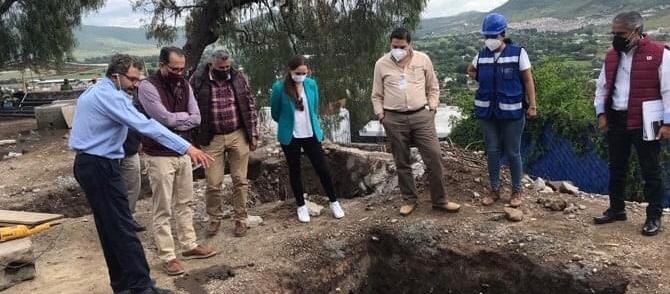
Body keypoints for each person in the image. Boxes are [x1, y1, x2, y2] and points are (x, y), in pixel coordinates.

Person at [69, 54, 213, 294]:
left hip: (93, 164)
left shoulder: (97, 91)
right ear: (115, 75)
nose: (136, 84)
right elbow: (146, 125)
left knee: (111, 229)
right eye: (132, 79)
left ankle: (124, 287)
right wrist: (186, 147)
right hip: (99, 165)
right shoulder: (109, 96)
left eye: (138, 79)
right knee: (123, 229)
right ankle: (141, 288)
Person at [138, 47, 217, 275]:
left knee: (185, 202)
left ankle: (189, 245)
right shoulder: (147, 87)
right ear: (161, 64)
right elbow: (161, 118)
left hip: (183, 152)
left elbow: (196, 117)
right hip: (159, 154)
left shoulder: (184, 84)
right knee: (163, 207)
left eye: (182, 68)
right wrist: (181, 120)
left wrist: (177, 120)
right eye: (174, 68)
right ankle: (168, 255)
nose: (179, 73)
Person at [592, 11, 669, 236]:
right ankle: (616, 209)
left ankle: (654, 216)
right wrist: (601, 114)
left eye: (621, 33)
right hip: (617, 119)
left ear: (636, 32)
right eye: (614, 33)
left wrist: (668, 123)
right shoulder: (612, 56)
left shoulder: (659, 54)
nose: (616, 37)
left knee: (650, 169)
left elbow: (669, 90)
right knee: (616, 167)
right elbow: (602, 87)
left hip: (646, 120)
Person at [371, 27, 460, 216]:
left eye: (402, 46)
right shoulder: (381, 64)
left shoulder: (423, 59)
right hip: (393, 118)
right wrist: (381, 116)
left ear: (410, 44)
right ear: (390, 44)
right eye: (394, 46)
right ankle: (409, 200)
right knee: (402, 161)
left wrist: (432, 109)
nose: (398, 49)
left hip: (421, 116)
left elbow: (433, 87)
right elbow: (376, 95)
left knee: (434, 157)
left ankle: (440, 200)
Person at [466, 13, 538, 208]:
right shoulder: (482, 55)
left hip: (513, 113)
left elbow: (528, 80)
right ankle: (494, 189)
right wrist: (483, 79)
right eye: (487, 36)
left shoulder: (518, 53)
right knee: (492, 151)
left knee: (513, 152)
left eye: (493, 36)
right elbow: (470, 70)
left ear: (503, 34)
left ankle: (517, 191)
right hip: (487, 113)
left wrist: (532, 105)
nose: (490, 40)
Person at [190, 50, 259, 237]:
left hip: (238, 134)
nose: (225, 70)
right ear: (212, 64)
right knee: (213, 183)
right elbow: (191, 108)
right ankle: (214, 220)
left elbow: (250, 104)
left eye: (228, 66)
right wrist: (194, 141)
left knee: (240, 180)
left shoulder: (238, 77)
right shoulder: (198, 80)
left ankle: (241, 219)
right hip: (211, 138)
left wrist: (253, 134)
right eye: (221, 67)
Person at [270, 55, 345, 223]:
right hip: (291, 136)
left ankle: (334, 202)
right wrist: (288, 124)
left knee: (322, 168)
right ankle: (301, 206)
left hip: (311, 134)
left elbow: (314, 107)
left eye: (305, 73)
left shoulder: (311, 84)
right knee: (295, 171)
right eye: (298, 72)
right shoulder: (279, 88)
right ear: (290, 71)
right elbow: (275, 113)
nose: (301, 76)